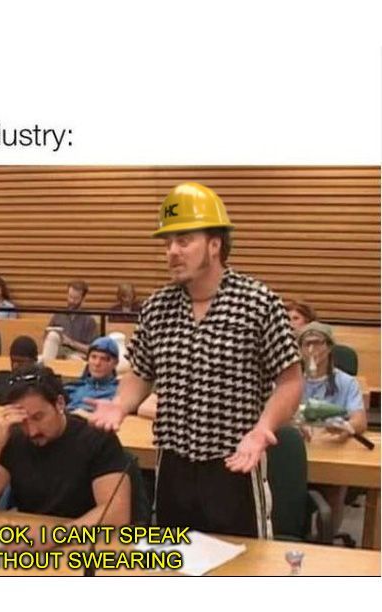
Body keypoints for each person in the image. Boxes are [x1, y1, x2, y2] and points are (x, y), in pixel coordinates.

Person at [87, 182, 303, 538]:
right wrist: (121, 405)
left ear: (215, 244)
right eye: (167, 242)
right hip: (173, 466)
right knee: (175, 565)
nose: (172, 251)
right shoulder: (157, 307)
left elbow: (291, 380)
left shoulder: (259, 302)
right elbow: (141, 372)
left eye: (184, 240)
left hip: (235, 465)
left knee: (242, 569)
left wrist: (264, 427)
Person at [0, 364, 130, 542]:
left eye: (38, 417)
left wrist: (52, 538)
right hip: (31, 544)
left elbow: (116, 514)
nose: (32, 431)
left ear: (60, 403)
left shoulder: (96, 437)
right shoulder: (16, 438)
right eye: (24, 421)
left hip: (86, 544)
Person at [298, 321, 367, 535]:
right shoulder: (290, 380)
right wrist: (293, 426)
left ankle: (324, 540)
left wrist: (345, 427)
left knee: (336, 487)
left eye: (317, 343)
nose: (311, 350)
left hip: (331, 450)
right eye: (306, 344)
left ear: (329, 346)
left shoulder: (346, 382)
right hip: (300, 452)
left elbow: (360, 421)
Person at [41, 280, 98, 362]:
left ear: (83, 299)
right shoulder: (58, 315)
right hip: (57, 352)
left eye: (76, 298)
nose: (72, 301)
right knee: (52, 337)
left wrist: (71, 342)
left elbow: (92, 349)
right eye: (70, 297)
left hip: (76, 355)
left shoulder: (89, 320)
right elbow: (45, 339)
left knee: (75, 360)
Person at [0, 335, 39, 404]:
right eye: (13, 361)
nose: (15, 365)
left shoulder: (41, 383)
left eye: (21, 362)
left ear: (34, 361)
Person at [64, 336, 119, 412]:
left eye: (104, 359)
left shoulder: (121, 393)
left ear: (115, 363)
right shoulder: (72, 389)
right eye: (93, 357)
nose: (97, 363)